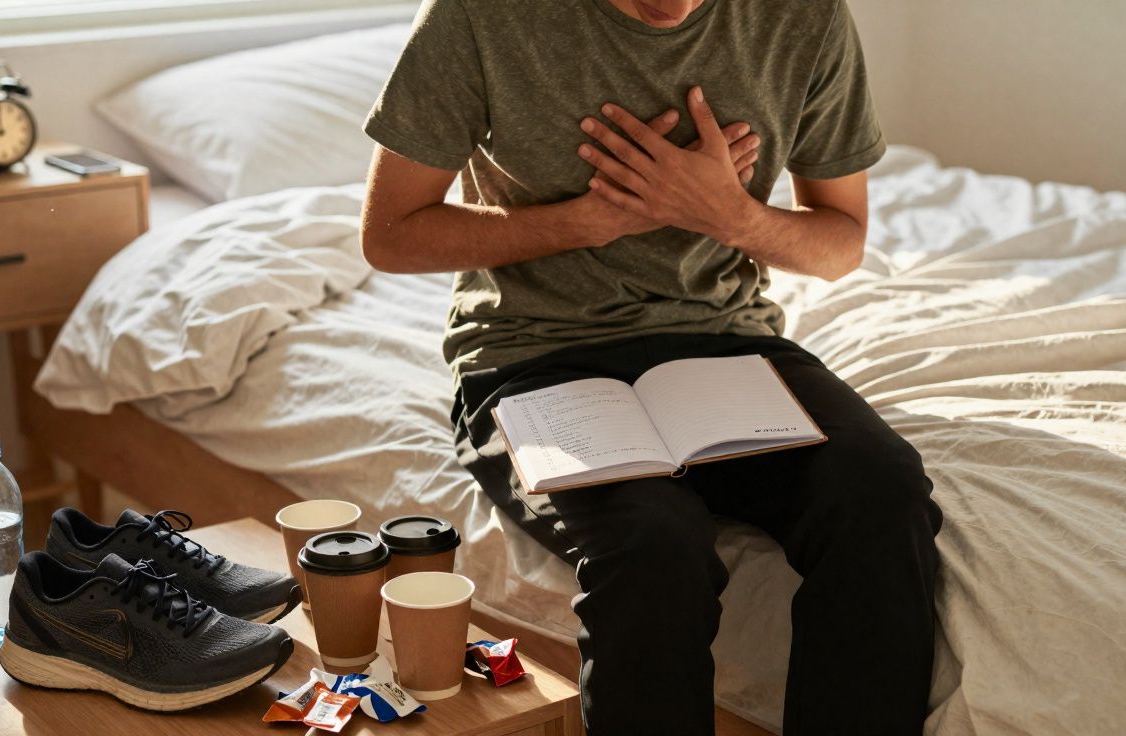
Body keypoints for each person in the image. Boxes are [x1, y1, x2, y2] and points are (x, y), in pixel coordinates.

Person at [360, 1, 942, 733]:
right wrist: (592, 221)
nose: (669, 8)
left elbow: (842, 243)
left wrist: (728, 215)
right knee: (651, 548)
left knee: (883, 497)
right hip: (535, 353)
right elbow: (389, 235)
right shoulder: (480, 14)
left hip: (727, 341)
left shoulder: (803, 15)